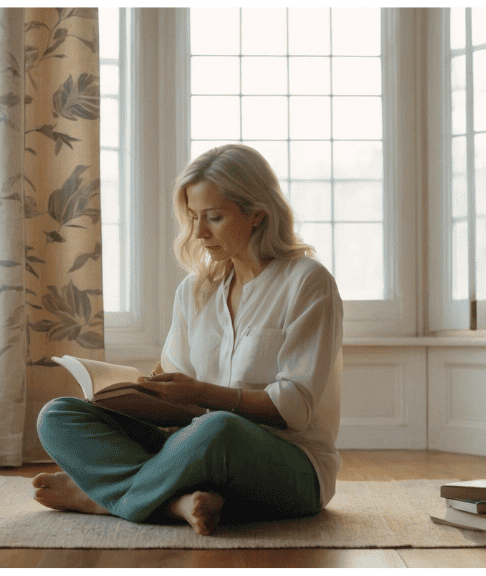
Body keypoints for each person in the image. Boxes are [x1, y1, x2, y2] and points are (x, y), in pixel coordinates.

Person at [33, 144, 343, 535]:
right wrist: (143, 398)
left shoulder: (307, 282)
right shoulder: (195, 291)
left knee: (219, 428)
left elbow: (294, 409)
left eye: (214, 217)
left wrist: (201, 393)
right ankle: (170, 502)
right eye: (193, 217)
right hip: (192, 448)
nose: (198, 233)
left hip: (292, 466)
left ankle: (99, 497)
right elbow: (180, 402)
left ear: (258, 215)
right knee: (59, 415)